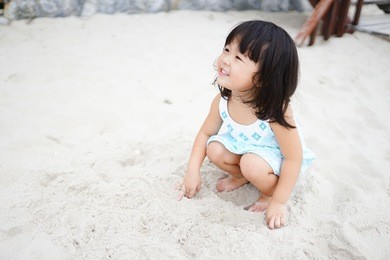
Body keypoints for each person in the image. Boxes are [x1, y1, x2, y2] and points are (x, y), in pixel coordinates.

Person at [177, 20, 315, 229]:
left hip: (273, 157)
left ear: (263, 78)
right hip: (246, 149)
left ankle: (268, 192)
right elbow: (205, 134)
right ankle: (241, 176)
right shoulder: (223, 101)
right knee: (214, 148)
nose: (225, 60)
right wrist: (192, 170)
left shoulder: (275, 111)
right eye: (226, 49)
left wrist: (279, 201)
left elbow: (293, 158)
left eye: (238, 57)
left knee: (252, 163)